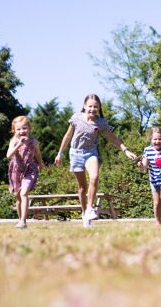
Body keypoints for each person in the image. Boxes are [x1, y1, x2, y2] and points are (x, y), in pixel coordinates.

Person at [54, 94, 138, 228]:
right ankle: (84, 214)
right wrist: (60, 153)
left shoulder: (101, 123)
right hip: (75, 153)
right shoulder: (76, 118)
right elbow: (68, 135)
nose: (93, 109)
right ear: (84, 106)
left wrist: (126, 150)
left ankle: (90, 209)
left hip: (90, 153)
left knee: (94, 177)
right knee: (82, 188)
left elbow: (113, 138)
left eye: (96, 107)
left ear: (99, 108)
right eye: (90, 106)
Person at [7, 116, 44, 229]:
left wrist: (40, 163)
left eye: (24, 128)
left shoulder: (34, 142)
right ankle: (20, 220)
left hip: (30, 170)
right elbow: (8, 155)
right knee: (18, 198)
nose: (21, 131)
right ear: (14, 131)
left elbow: (37, 153)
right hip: (16, 171)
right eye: (18, 129)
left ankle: (23, 221)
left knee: (24, 193)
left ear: (29, 129)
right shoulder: (14, 141)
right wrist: (18, 145)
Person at [138, 127, 161, 226]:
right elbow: (145, 166)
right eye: (155, 139)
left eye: (160, 139)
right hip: (154, 180)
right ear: (150, 139)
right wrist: (142, 166)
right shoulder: (147, 150)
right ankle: (158, 223)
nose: (157, 141)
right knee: (157, 203)